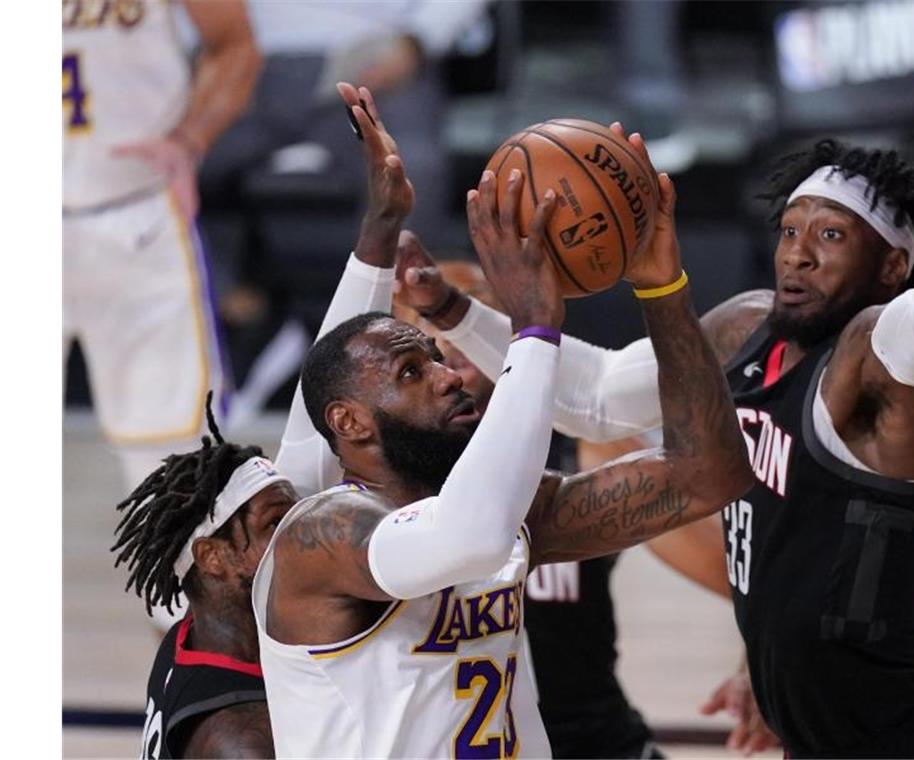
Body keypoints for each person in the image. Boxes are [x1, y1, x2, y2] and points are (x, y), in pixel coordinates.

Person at [398, 67, 914, 758]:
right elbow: (596, 398)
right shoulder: (747, 327)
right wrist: (448, 310)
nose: (799, 254)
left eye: (832, 237)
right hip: (818, 735)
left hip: (911, 738)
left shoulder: (878, 359)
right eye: (789, 231)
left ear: (893, 267)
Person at [250, 147, 754, 757]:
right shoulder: (323, 534)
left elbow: (709, 474)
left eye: (439, 357)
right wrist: (535, 328)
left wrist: (661, 286)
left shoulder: (516, 511)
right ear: (350, 423)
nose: (449, 373)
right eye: (413, 370)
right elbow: (469, 536)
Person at [109, 83, 414, 759]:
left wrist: (379, 233)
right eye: (280, 522)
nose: (303, 528)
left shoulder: (214, 631)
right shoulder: (247, 735)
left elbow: (316, 413)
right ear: (216, 557)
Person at [394, 259, 731, 758]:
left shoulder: (582, 450)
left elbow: (732, 568)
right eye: (426, 326)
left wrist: (764, 665)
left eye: (469, 314)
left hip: (593, 744)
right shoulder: (387, 478)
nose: (451, 339)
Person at [64, 0, 261, 492]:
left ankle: (173, 569)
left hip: (138, 210)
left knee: (171, 462)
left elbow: (236, 44)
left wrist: (190, 138)